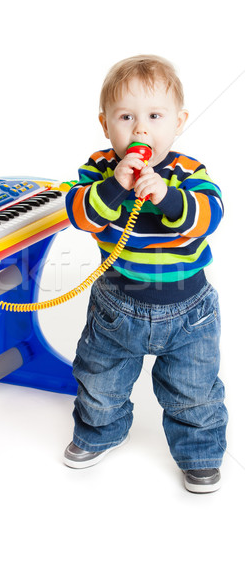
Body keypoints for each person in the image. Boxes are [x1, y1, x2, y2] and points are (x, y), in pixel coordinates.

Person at [63, 54, 228, 493]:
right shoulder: (98, 170)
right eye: (126, 117)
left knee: (194, 391)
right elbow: (80, 213)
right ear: (105, 124)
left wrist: (170, 198)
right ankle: (100, 432)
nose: (140, 129)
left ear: (178, 121)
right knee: (100, 379)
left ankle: (200, 454)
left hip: (188, 314)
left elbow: (210, 216)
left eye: (155, 116)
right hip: (117, 307)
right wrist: (116, 183)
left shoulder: (187, 172)